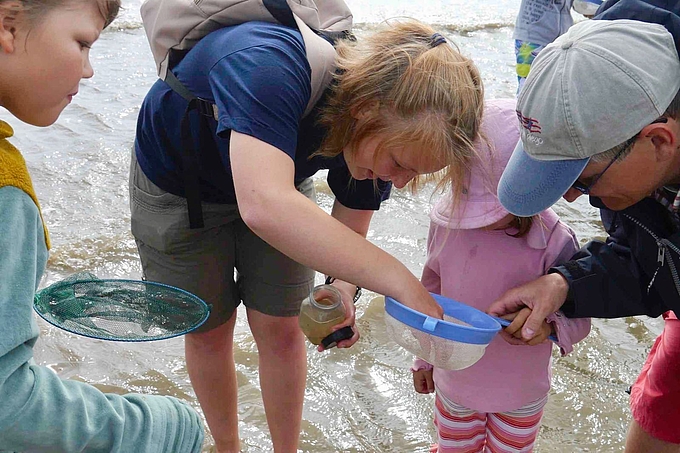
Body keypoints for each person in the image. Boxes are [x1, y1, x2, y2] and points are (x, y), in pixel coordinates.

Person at [130, 18, 485, 453]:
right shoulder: (268, 64)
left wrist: (341, 290)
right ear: (363, 111)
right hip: (181, 182)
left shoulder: (378, 137)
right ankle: (227, 447)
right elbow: (265, 205)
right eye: (400, 163)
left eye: (416, 172)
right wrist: (401, 282)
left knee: (282, 328)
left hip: (278, 177)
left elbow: (347, 231)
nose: (402, 180)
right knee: (209, 329)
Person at [0, 1, 205, 452]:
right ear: (8, 25)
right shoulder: (5, 191)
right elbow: (6, 403)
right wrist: (168, 426)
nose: (90, 71)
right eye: (83, 43)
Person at [487, 16, 680, 453]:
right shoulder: (633, 184)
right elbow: (648, 263)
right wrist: (563, 284)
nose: (572, 198)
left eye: (583, 179)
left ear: (659, 142)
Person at [411, 98, 591, 453]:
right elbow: (428, 297)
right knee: (454, 448)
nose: (474, 215)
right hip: (456, 385)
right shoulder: (446, 224)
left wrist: (550, 327)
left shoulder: (553, 240)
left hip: (520, 395)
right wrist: (423, 357)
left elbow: (581, 316)